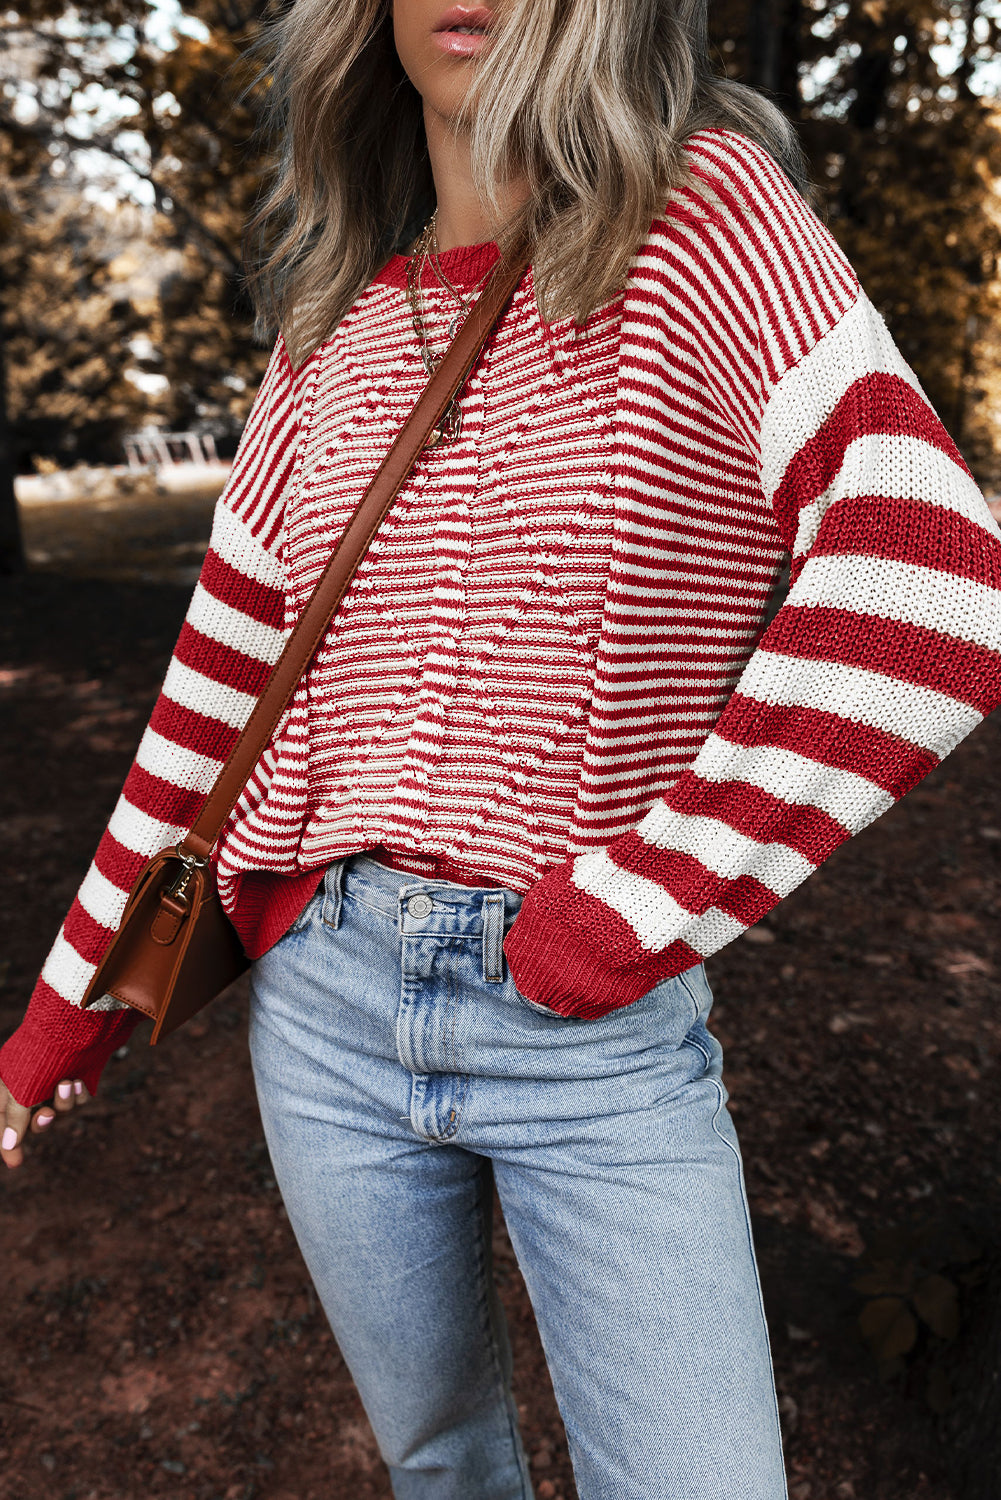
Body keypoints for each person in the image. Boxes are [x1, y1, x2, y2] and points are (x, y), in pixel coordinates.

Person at [3, 1, 1001, 1495]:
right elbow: (212, 697)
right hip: (324, 1000)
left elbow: (926, 582)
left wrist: (638, 907)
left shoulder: (706, 218)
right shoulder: (330, 317)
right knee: (439, 1465)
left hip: (587, 1026)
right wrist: (63, 1013)